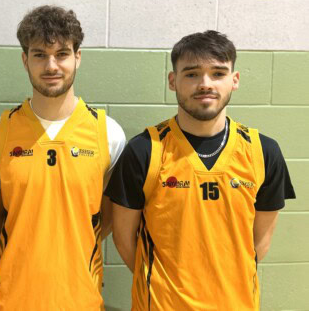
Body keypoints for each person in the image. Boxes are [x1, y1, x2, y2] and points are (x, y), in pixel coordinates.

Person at [105, 30, 296, 311]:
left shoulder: (263, 151)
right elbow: (123, 239)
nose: (205, 84)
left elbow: (259, 242)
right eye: (192, 74)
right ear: (173, 81)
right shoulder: (144, 150)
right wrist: (162, 285)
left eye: (218, 73)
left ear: (234, 80)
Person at [0, 5, 126, 310]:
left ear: (78, 57)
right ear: (25, 60)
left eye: (62, 53)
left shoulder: (108, 134)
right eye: (39, 54)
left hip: (80, 298)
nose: (51, 65)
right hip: (11, 298)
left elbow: (108, 218)